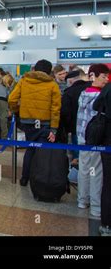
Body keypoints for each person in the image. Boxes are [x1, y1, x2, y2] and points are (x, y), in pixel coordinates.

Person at [8, 59, 61, 187]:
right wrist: (54, 128)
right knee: (43, 152)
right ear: (49, 71)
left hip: (27, 122)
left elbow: (12, 99)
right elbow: (55, 108)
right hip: (45, 123)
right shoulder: (52, 84)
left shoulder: (24, 81)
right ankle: (40, 180)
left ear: (35, 69)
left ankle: (25, 178)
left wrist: (18, 112)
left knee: (30, 149)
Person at [76, 64, 109, 218]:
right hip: (96, 139)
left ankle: (82, 200)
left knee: (84, 169)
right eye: (103, 76)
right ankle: (96, 206)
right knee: (96, 171)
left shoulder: (83, 93)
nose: (106, 79)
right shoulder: (101, 96)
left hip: (82, 136)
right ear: (93, 76)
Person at [92, 82, 111, 236]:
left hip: (108, 141)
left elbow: (96, 106)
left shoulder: (108, 88)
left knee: (108, 183)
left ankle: (106, 225)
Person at [59, 69, 90, 158]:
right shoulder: (91, 88)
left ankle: (78, 170)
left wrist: (67, 128)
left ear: (70, 81)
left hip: (76, 128)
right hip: (94, 129)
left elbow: (65, 112)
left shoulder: (68, 92)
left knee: (78, 156)